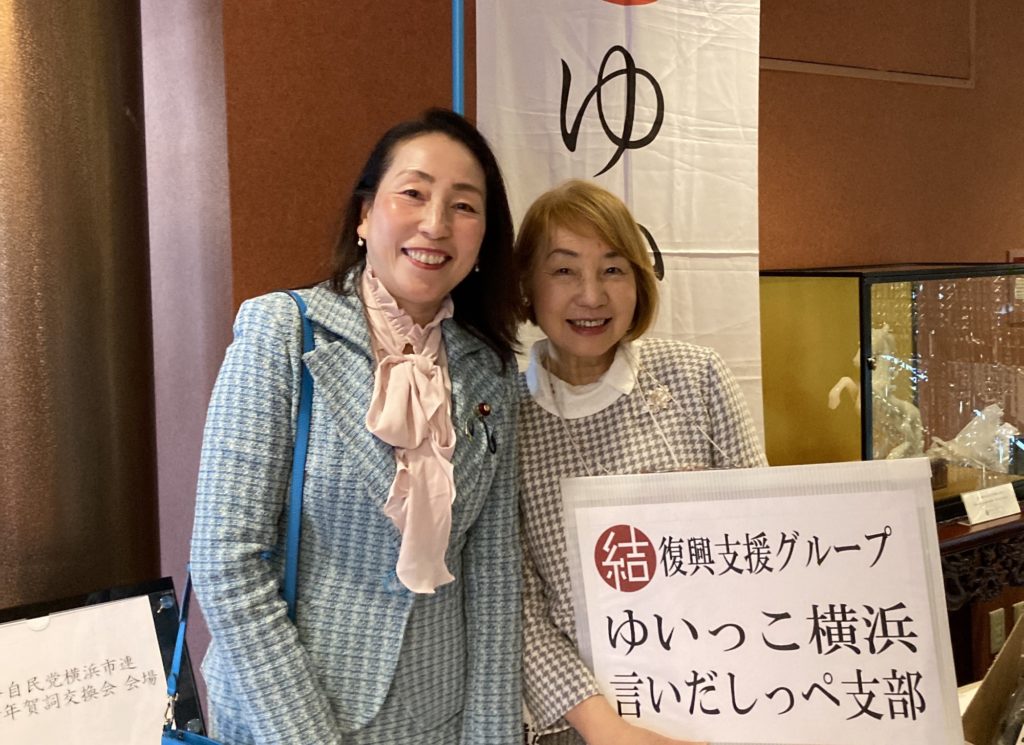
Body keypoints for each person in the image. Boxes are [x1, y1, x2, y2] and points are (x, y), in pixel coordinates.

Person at [190, 108, 522, 744]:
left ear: (483, 239)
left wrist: (491, 735)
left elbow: (495, 578)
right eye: (414, 193)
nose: (435, 224)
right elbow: (227, 562)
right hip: (290, 718)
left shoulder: (490, 371)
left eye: (463, 206)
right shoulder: (283, 331)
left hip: (437, 722)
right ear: (365, 216)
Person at [514, 179, 767, 745]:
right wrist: (606, 728)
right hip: (584, 724)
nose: (592, 295)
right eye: (564, 270)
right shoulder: (504, 417)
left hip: (729, 691)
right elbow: (520, 608)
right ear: (527, 285)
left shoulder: (695, 377)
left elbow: (765, 542)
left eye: (612, 269)